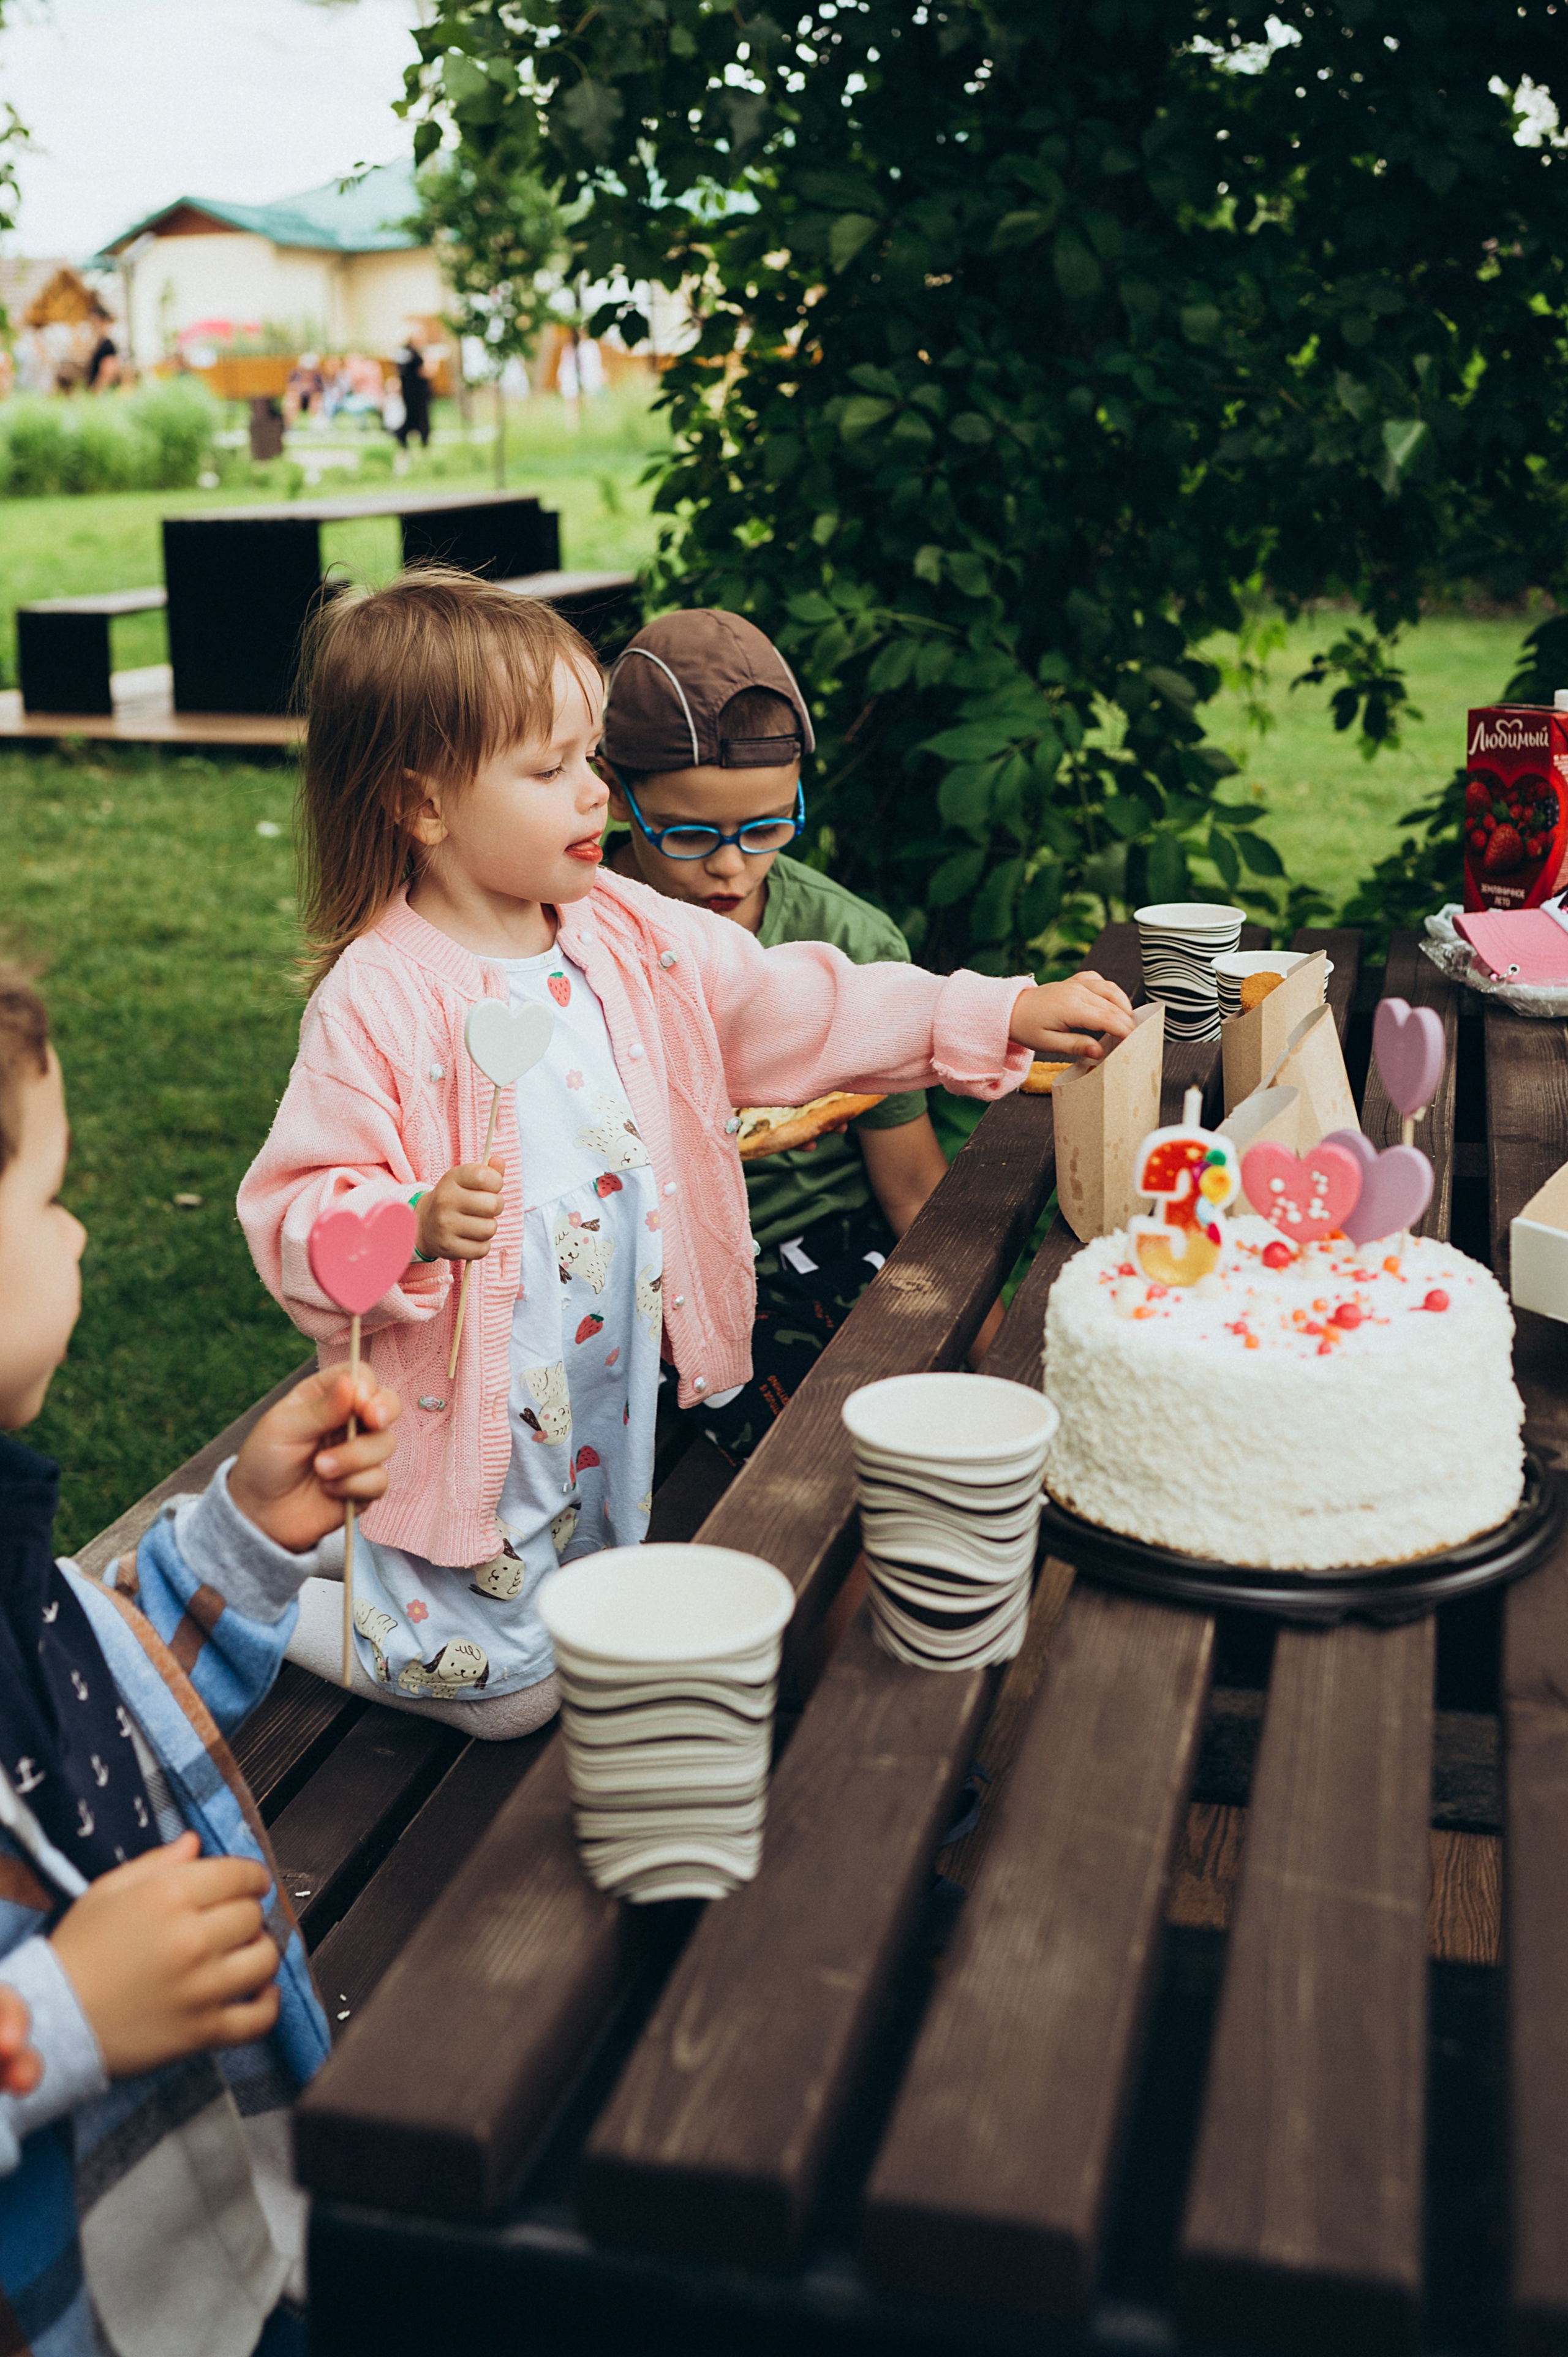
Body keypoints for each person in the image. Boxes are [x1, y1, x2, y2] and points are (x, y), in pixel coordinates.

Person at [238, 568, 1134, 1737]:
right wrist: (404, 1220)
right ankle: (231, 1594)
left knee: (591, 1601)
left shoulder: (620, 928)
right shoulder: (381, 998)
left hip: (605, 1402)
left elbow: (800, 1004)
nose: (592, 796)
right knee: (514, 1696)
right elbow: (297, 1209)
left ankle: (352, 1573)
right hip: (469, 1413)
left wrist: (998, 1012)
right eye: (549, 768)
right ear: (424, 806)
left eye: (592, 762)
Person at [0, 966, 402, 2355]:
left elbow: (84, 1722)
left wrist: (243, 1540)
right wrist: (50, 2019)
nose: (77, 1227)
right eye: (44, 1195)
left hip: (216, 2242)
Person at [601, 608, 1000, 1463]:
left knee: (858, 1468)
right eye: (690, 833)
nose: (733, 868)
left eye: (767, 829)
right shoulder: (571, 930)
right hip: (630, 1278)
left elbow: (910, 1182)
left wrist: (1004, 1371)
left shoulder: (847, 940)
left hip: (807, 1265)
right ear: (610, 788)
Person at [392, 337, 432, 449]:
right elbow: (425, 372)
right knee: (416, 417)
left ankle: (418, 441)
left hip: (414, 392)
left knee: (415, 417)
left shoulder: (407, 353)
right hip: (414, 392)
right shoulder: (410, 353)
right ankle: (410, 440)